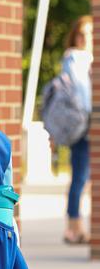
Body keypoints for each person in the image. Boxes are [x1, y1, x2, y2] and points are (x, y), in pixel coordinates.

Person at [60, 16, 92, 245]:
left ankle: (77, 225)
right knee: (80, 177)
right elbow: (80, 91)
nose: (85, 38)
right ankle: (73, 227)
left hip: (88, 122)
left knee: (84, 178)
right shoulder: (74, 56)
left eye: (89, 33)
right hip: (83, 124)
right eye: (81, 33)